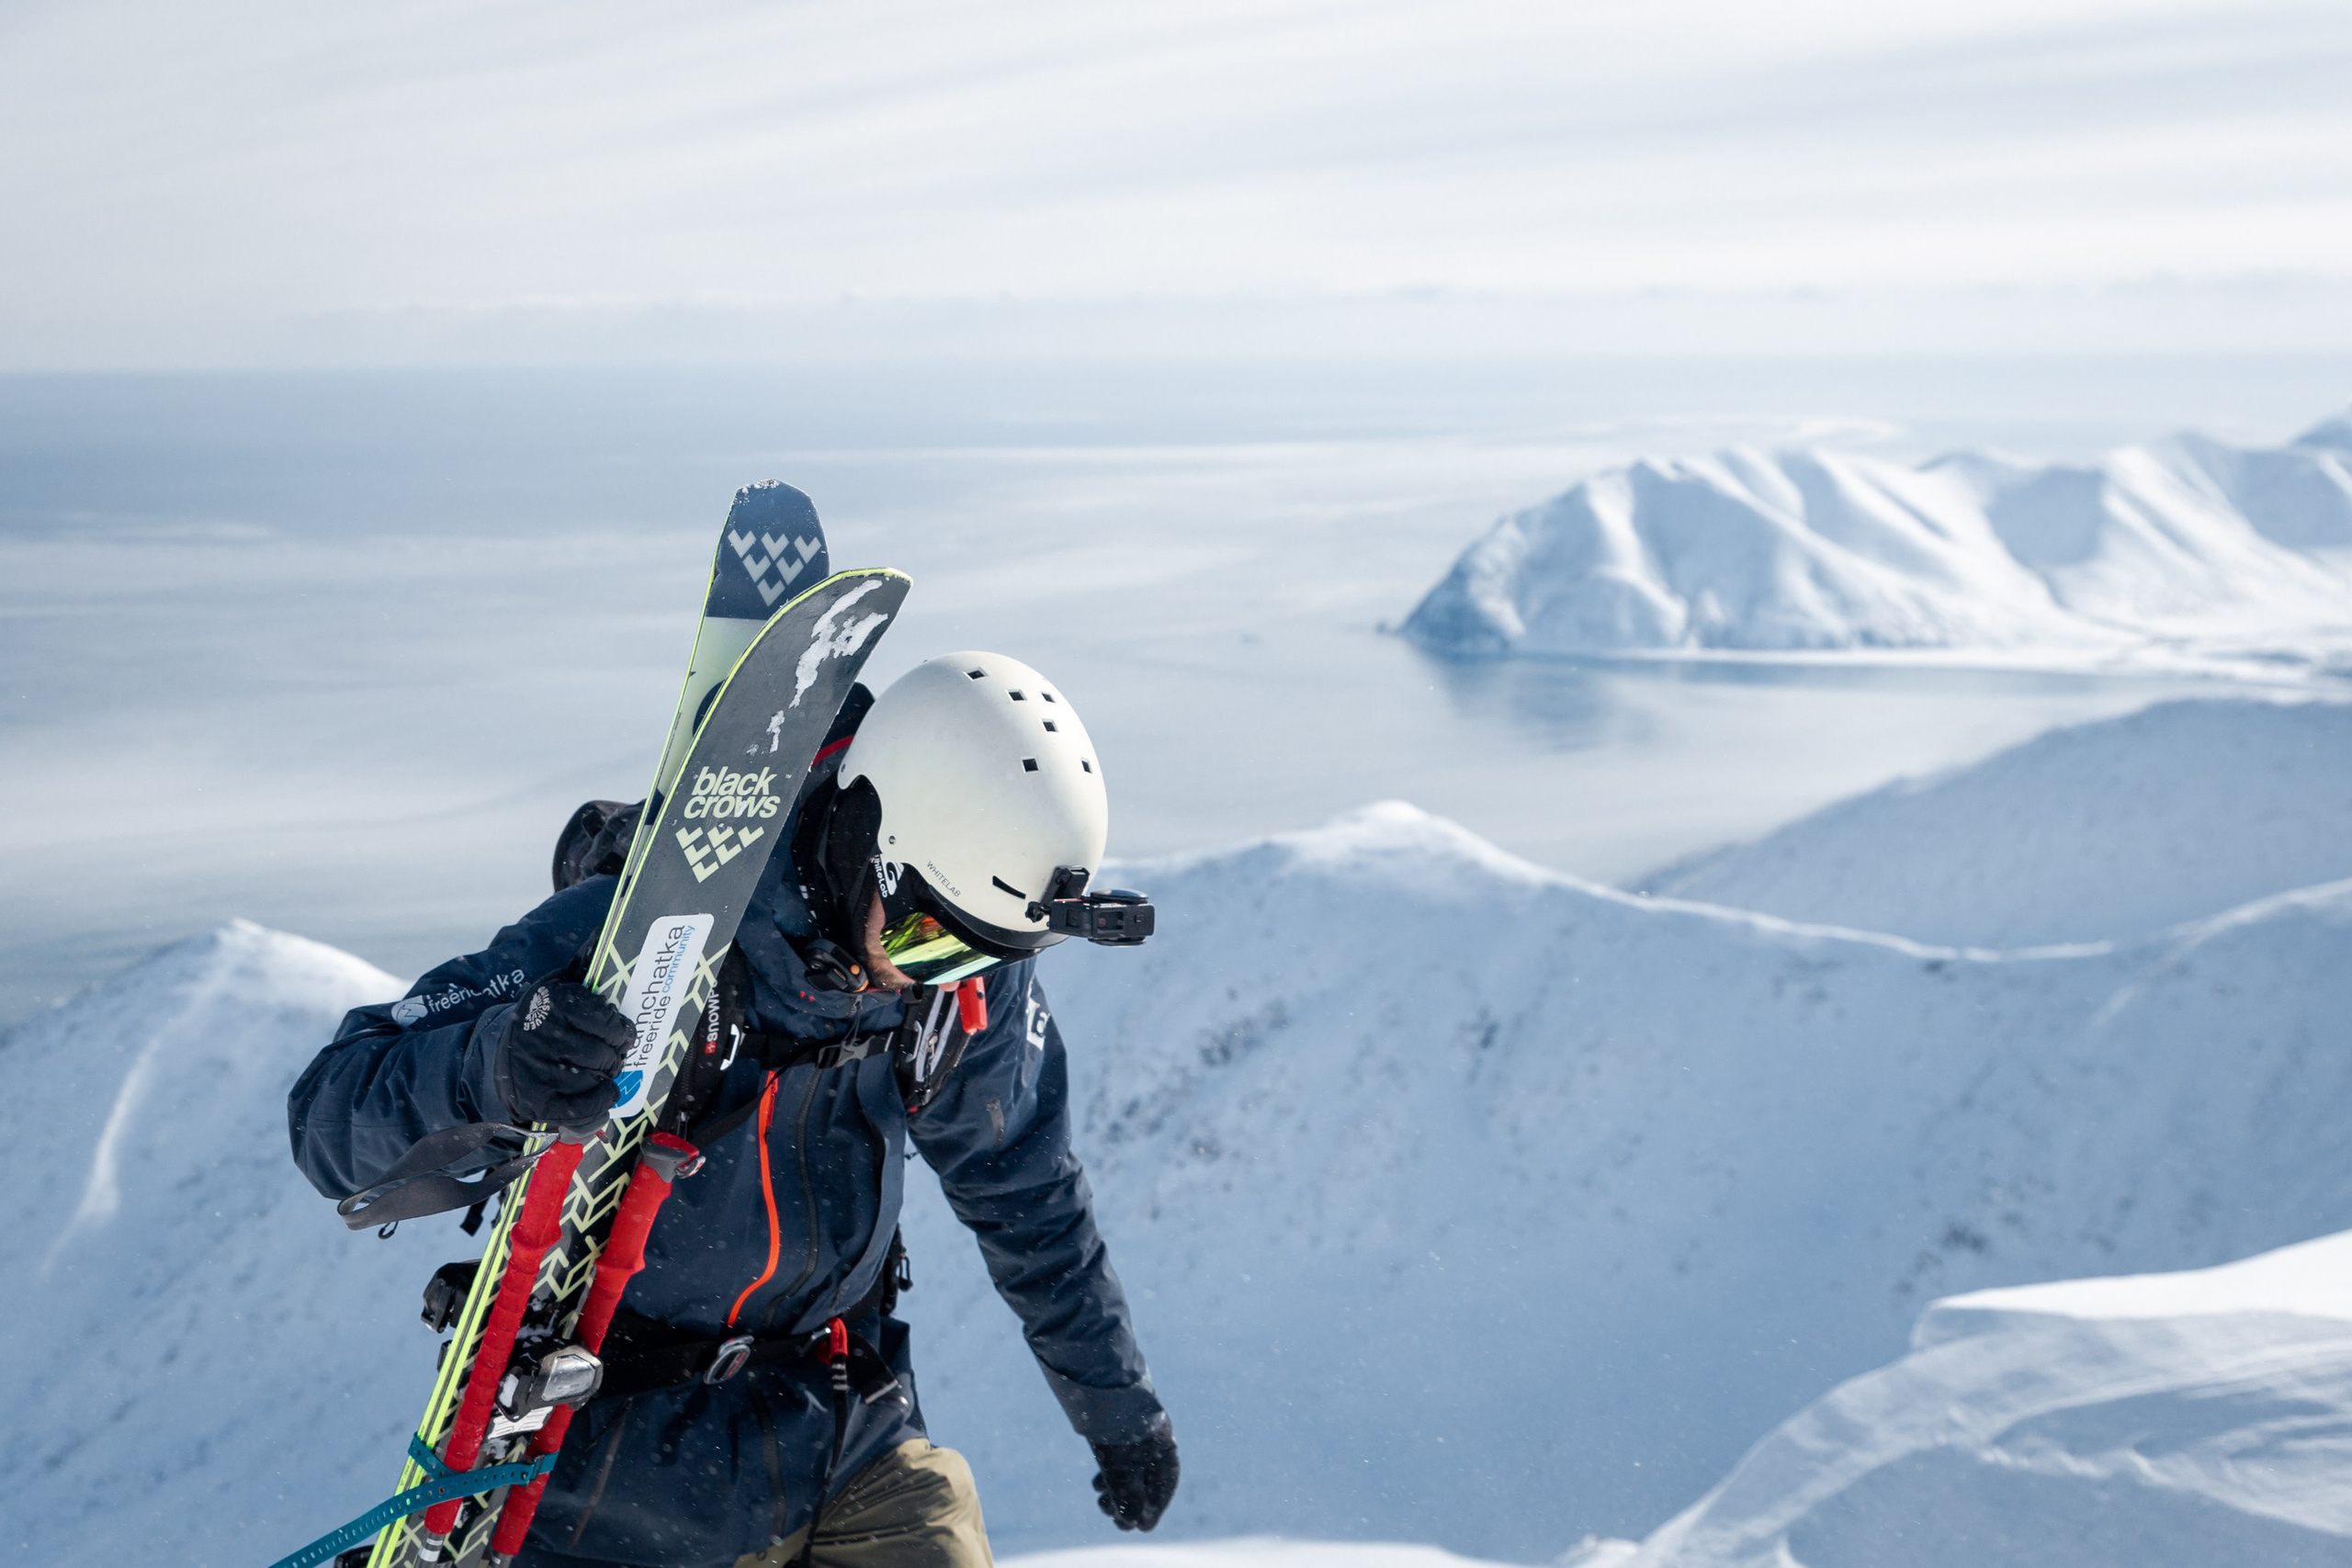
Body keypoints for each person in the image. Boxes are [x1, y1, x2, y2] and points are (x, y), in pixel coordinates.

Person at [288, 652, 1178, 1568]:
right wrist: (498, 1063)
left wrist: (1117, 1409)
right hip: (613, 1475)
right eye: (926, 936)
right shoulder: (640, 933)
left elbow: (1023, 1189)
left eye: (974, 954)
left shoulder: (959, 963)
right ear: (862, 832)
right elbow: (328, 1115)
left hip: (842, 1418)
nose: (928, 976)